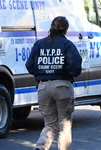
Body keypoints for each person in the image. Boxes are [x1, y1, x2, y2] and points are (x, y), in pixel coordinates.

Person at [25, 16, 82, 150]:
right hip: (62, 86)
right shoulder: (67, 44)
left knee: (50, 124)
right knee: (64, 126)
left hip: (43, 87)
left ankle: (40, 147)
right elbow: (75, 67)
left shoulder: (39, 44)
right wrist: (63, 71)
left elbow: (29, 65)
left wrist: (43, 73)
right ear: (66, 30)